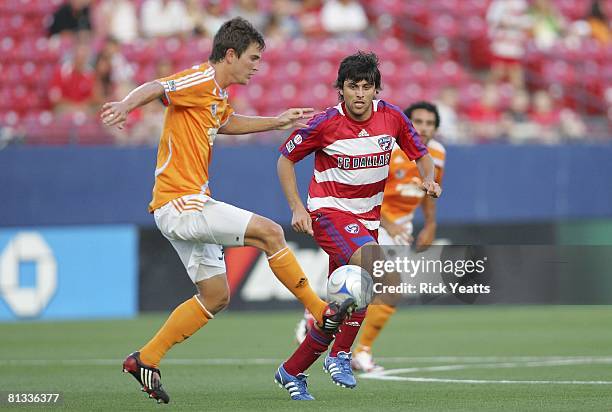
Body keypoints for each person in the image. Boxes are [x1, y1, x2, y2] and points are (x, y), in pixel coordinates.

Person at [100, 17, 351, 404]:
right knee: (271, 232)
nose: (257, 65)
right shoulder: (200, 79)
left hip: (184, 203)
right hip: (181, 201)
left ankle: (145, 359)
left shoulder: (215, 95)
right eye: (252, 58)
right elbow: (159, 87)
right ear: (230, 54)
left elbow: (226, 122)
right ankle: (320, 311)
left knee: (216, 296)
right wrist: (125, 105)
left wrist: (277, 121)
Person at [274, 52, 441, 400]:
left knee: (347, 301)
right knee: (382, 274)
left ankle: (291, 370)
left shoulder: (392, 118)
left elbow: (421, 155)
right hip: (329, 212)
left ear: (376, 90)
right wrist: (296, 208)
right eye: (353, 87)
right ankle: (340, 356)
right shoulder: (324, 123)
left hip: (365, 219)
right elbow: (285, 159)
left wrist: (428, 180)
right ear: (341, 90)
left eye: (367, 87)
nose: (361, 94)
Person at [351, 101, 446, 373]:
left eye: (430, 123)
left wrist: (430, 224)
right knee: (388, 288)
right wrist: (388, 223)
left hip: (402, 232)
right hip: (373, 223)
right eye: (418, 122)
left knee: (375, 291)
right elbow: (362, 192)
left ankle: (334, 333)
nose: (424, 128)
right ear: (407, 123)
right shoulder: (388, 148)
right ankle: (357, 349)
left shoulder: (437, 153)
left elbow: (431, 188)